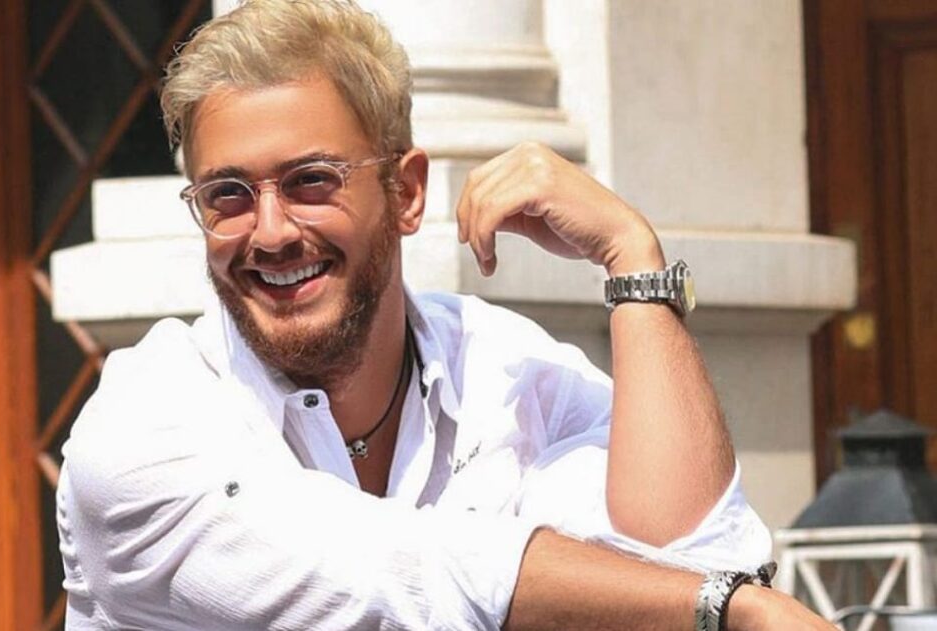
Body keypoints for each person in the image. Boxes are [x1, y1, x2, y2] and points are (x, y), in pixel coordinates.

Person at [56, 1, 833, 629]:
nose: (269, 231)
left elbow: (699, 568)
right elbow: (399, 579)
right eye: (226, 194)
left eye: (310, 180)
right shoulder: (142, 429)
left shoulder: (508, 371)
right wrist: (734, 608)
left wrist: (632, 257)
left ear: (406, 192)